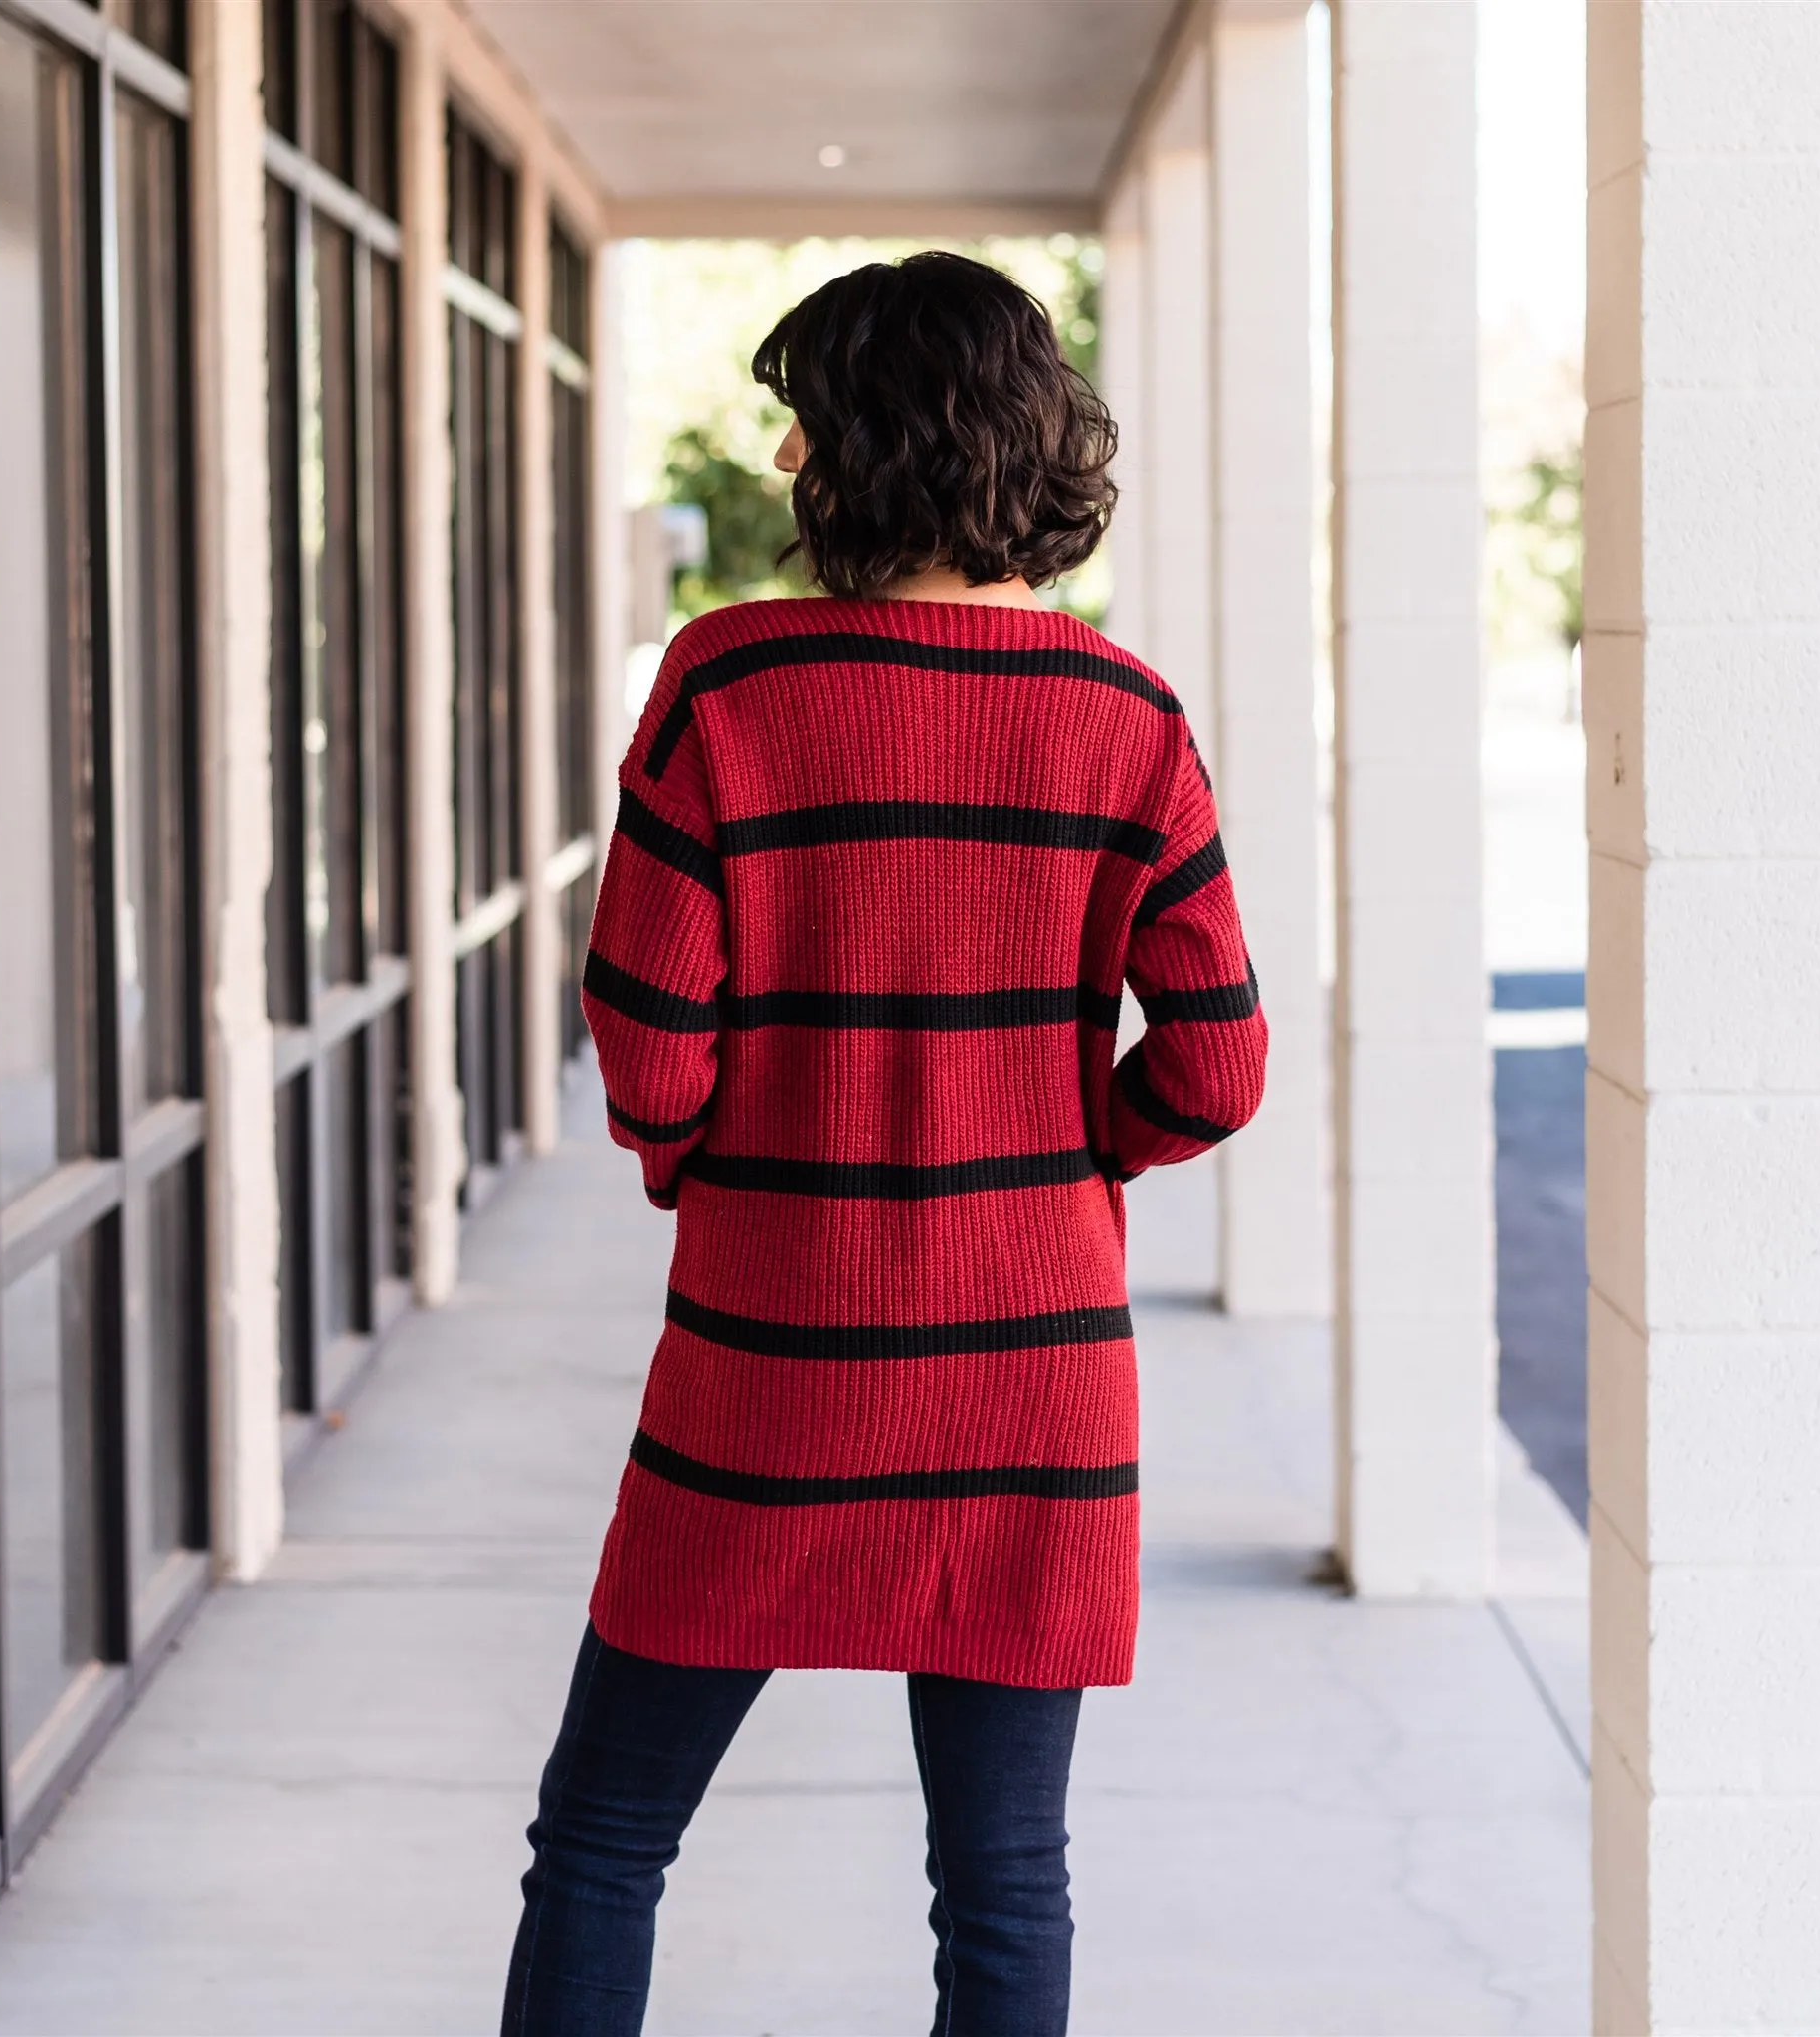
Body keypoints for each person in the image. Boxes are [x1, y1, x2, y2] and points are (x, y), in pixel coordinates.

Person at [501, 250, 1268, 2037]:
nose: (781, 458)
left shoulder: (726, 688)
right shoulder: (1128, 720)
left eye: (803, 421)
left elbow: (647, 1040)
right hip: (1035, 1378)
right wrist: (1072, 1157)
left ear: (862, 448)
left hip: (770, 1365)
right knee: (1003, 1874)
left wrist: (723, 1159)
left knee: (607, 1836)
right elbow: (1220, 1065)